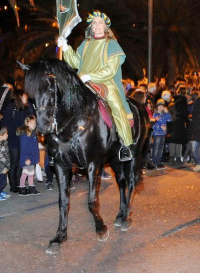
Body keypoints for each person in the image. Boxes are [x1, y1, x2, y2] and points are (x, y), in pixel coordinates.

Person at [57, 10, 134, 161]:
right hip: (83, 82)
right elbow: (75, 63)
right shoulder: (85, 44)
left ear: (105, 27)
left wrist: (91, 76)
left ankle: (126, 145)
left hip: (105, 82)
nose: (97, 26)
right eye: (94, 23)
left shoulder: (112, 44)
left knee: (117, 106)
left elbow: (111, 70)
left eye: (100, 23)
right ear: (91, 26)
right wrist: (66, 47)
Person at [1, 90, 35, 192]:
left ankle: (19, 184)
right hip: (13, 139)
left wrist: (29, 106)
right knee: (14, 162)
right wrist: (14, 132)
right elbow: (5, 122)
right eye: (25, 97)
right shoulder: (11, 106)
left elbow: (32, 116)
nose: (26, 98)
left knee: (21, 162)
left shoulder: (26, 107)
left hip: (23, 139)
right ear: (19, 97)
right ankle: (13, 186)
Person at [17, 115, 40, 196]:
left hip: (32, 157)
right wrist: (26, 158)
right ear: (27, 123)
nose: (34, 124)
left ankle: (31, 188)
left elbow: (34, 147)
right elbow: (24, 147)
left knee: (31, 173)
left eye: (34, 123)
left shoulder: (33, 133)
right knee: (25, 173)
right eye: (31, 123)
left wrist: (36, 157)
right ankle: (22, 188)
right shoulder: (25, 134)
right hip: (27, 158)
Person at [150, 99, 171, 170]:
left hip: (163, 134)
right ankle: (155, 162)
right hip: (157, 133)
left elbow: (169, 120)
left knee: (161, 149)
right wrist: (160, 126)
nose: (161, 108)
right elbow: (153, 124)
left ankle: (159, 162)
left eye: (162, 106)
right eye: (159, 106)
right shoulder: (155, 114)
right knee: (156, 148)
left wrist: (167, 112)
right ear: (157, 107)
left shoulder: (164, 114)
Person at [0, 127, 10, 201]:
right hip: (1, 167)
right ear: (1, 135)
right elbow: (1, 157)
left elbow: (6, 155)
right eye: (6, 134)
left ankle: (0, 191)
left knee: (3, 181)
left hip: (5, 166)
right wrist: (4, 167)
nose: (7, 135)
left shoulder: (4, 142)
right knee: (2, 181)